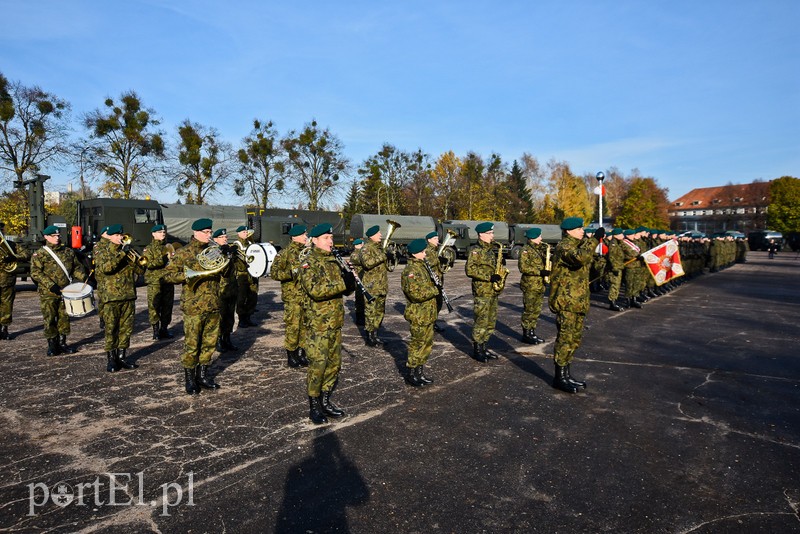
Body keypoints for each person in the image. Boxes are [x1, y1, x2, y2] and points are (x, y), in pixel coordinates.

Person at [297, 223, 356, 424]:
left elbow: (343, 290)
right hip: (318, 324)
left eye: (331, 238)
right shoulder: (308, 262)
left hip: (335, 321)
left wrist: (350, 283)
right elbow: (316, 290)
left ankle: (325, 399)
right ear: (314, 240)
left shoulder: (334, 260)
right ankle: (314, 405)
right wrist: (342, 284)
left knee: (334, 364)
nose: (330, 241)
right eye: (325, 238)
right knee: (318, 365)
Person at [162, 218, 224, 395]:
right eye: (205, 232)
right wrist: (188, 275)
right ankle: (190, 379)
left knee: (209, 343)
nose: (209, 235)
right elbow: (168, 275)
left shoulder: (214, 252)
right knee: (192, 345)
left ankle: (203, 376)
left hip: (213, 303)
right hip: (193, 306)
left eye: (210, 232)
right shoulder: (184, 252)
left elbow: (225, 273)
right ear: (195, 232)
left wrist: (228, 256)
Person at [548, 216, 602, 394]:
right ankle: (559, 378)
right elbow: (579, 258)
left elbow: (588, 266)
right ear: (569, 231)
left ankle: (566, 375)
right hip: (566, 302)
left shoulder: (578, 246)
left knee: (573, 340)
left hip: (578, 301)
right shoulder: (564, 247)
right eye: (579, 229)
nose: (583, 232)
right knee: (564, 339)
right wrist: (594, 240)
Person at [29, 225, 87, 356]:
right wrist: (51, 285)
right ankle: (52, 345)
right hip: (48, 292)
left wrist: (84, 277)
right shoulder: (40, 253)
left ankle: (62, 343)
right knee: (49, 318)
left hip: (66, 291)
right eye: (53, 236)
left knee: (64, 318)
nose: (56, 238)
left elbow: (76, 267)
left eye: (58, 235)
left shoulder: (68, 251)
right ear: (46, 237)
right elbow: (35, 273)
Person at [94, 224, 142, 372]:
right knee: (111, 329)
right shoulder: (103, 251)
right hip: (111, 296)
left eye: (121, 235)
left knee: (126, 329)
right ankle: (111, 359)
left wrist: (136, 262)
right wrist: (122, 253)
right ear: (111, 236)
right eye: (117, 235)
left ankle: (122, 357)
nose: (120, 238)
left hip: (128, 295)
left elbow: (140, 270)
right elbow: (107, 268)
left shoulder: (128, 251)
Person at [270, 224, 310, 368]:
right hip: (292, 297)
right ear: (295, 237)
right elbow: (274, 273)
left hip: (306, 295)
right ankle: (291, 355)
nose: (306, 237)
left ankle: (301, 353)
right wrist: (292, 272)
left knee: (305, 325)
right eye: (304, 235)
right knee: (293, 326)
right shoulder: (285, 253)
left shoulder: (308, 252)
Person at [465, 221, 506, 362]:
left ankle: (484, 347)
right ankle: (477, 350)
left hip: (492, 291)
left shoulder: (490, 250)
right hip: (482, 291)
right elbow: (469, 270)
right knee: (481, 321)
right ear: (481, 234)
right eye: (489, 233)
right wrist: (489, 277)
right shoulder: (476, 250)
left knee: (490, 321)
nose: (492, 235)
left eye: (492, 233)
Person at [401, 238, 440, 387]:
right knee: (417, 344)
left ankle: (420, 371)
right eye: (423, 252)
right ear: (416, 253)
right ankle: (411, 373)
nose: (425, 254)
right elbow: (415, 294)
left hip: (428, 313)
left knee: (427, 343)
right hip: (418, 314)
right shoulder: (410, 271)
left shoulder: (423, 267)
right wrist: (435, 289)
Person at [143, 224, 175, 340]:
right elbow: (149, 264)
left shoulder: (168, 246)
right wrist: (163, 259)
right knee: (154, 306)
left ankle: (164, 329)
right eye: (160, 232)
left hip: (168, 280)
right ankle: (155, 330)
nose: (163, 234)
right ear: (153, 234)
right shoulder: (148, 248)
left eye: (164, 232)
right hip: (155, 281)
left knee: (167, 306)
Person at [359, 225, 388, 347]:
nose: (381, 235)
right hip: (371, 286)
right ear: (372, 236)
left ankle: (375, 334)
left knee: (380, 312)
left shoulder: (379, 248)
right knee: (371, 312)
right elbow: (367, 263)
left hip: (381, 285)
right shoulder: (366, 248)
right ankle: (370, 336)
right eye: (378, 233)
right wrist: (383, 256)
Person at [0, 221, 30, 340]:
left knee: (7, 305)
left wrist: (14, 257)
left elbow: (26, 254)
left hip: (7, 279)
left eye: (2, 230)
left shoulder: (11, 245)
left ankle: (4, 329)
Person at [518, 227, 548, 344]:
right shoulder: (526, 250)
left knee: (536, 310)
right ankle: (526, 334)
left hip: (540, 285)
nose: (541, 238)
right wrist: (539, 272)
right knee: (529, 310)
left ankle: (532, 332)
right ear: (534, 237)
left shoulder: (539, 249)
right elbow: (523, 267)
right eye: (539, 236)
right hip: (530, 285)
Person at [212, 228, 239, 352]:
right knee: (220, 316)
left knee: (230, 316)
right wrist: (222, 253)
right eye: (222, 237)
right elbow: (215, 266)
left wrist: (234, 254)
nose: (225, 239)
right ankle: (218, 341)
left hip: (232, 287)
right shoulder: (212, 251)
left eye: (226, 237)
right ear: (215, 239)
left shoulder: (229, 250)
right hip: (220, 289)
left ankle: (227, 339)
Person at [234, 225, 258, 327]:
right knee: (242, 297)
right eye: (243, 232)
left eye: (246, 232)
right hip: (242, 274)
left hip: (252, 274)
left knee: (252, 296)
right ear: (238, 233)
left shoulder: (251, 243)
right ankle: (242, 319)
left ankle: (248, 317)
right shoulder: (237, 244)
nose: (246, 234)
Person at [424, 230, 447, 332]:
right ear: (429, 240)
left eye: (437, 238)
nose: (437, 240)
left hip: (438, 280)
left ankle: (433, 322)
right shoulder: (427, 250)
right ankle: (430, 324)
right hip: (431, 281)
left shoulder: (435, 250)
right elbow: (426, 263)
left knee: (438, 303)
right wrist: (438, 260)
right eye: (435, 239)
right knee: (433, 304)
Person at [605, 228, 626, 311]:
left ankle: (614, 301)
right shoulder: (613, 244)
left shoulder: (618, 243)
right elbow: (612, 257)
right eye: (621, 234)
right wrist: (615, 268)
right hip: (614, 269)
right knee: (614, 285)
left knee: (617, 285)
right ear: (616, 235)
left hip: (618, 267)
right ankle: (612, 303)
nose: (623, 236)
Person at [349, 238, 366, 326]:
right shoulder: (355, 254)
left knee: (362, 298)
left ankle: (362, 316)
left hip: (362, 277)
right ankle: (359, 318)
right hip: (358, 278)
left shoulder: (359, 254)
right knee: (359, 298)